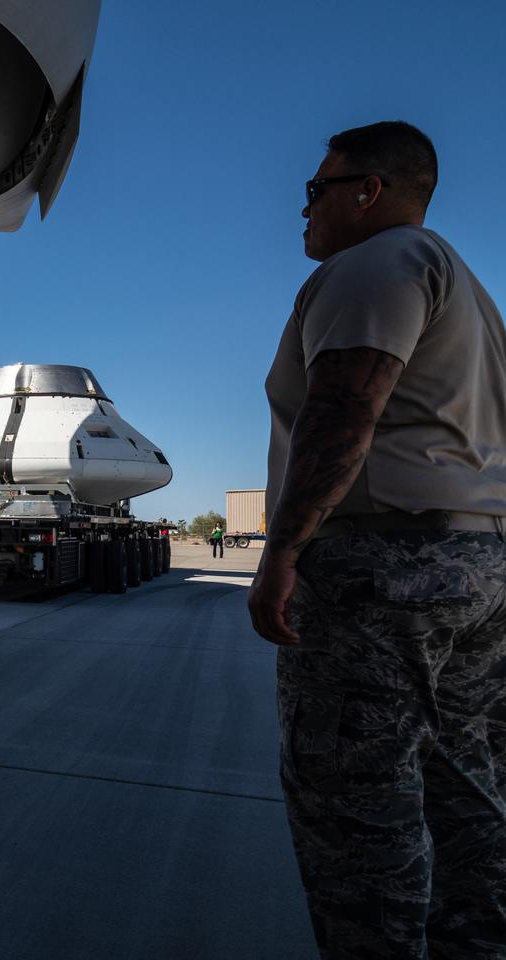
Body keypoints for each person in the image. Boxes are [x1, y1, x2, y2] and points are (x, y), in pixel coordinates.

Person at [249, 120, 506, 958]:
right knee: (463, 786)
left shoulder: (373, 264)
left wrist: (282, 551)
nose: (304, 209)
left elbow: (344, 411)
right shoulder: (467, 290)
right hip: (479, 565)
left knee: (356, 807)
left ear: (369, 191)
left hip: (385, 571)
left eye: (317, 190)